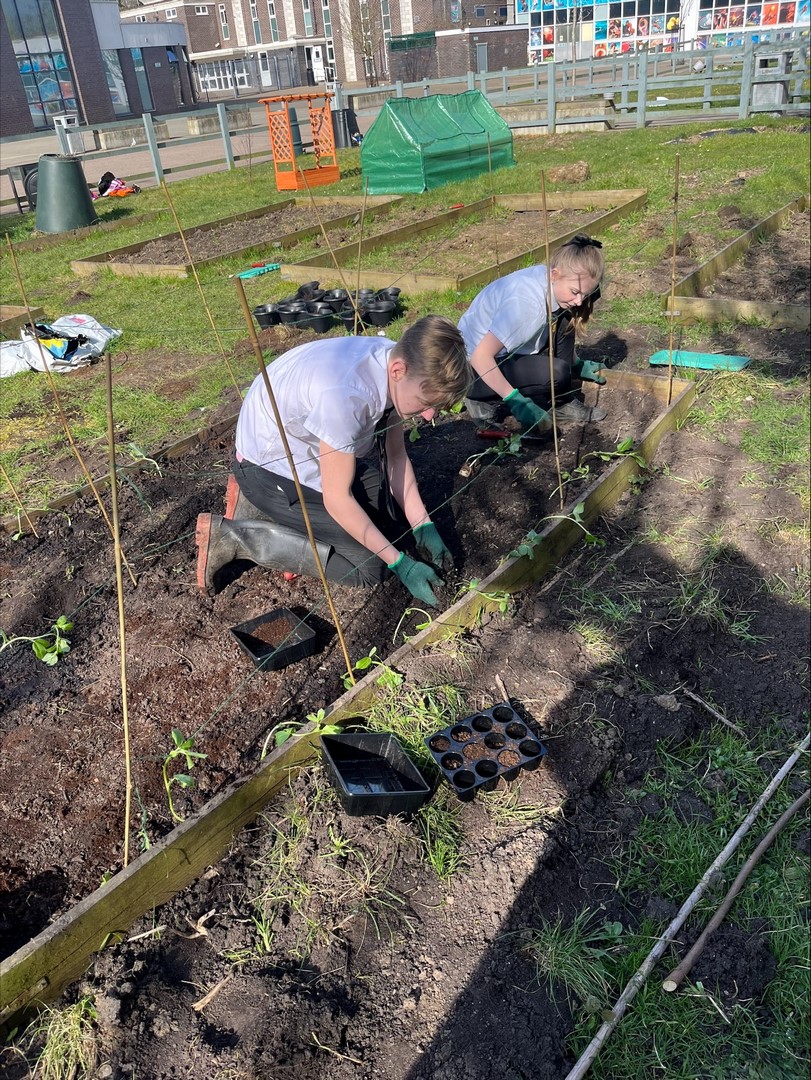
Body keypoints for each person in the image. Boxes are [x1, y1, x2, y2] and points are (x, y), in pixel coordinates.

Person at [195, 315, 470, 607]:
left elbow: (396, 458)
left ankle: (263, 506)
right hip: (267, 466)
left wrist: (422, 525)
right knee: (368, 567)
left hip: (305, 447)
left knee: (385, 512)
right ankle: (235, 537)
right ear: (399, 371)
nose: (429, 416)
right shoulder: (348, 397)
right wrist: (400, 563)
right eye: (425, 403)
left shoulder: (398, 361)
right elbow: (338, 500)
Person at [458, 234, 607, 434]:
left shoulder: (548, 281)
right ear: (555, 274)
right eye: (575, 292)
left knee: (566, 316)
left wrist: (576, 363)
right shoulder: (527, 308)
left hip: (495, 352)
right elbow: (480, 357)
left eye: (585, 294)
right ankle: (479, 398)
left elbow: (563, 322)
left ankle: (561, 402)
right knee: (556, 374)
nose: (580, 301)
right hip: (471, 371)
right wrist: (515, 400)